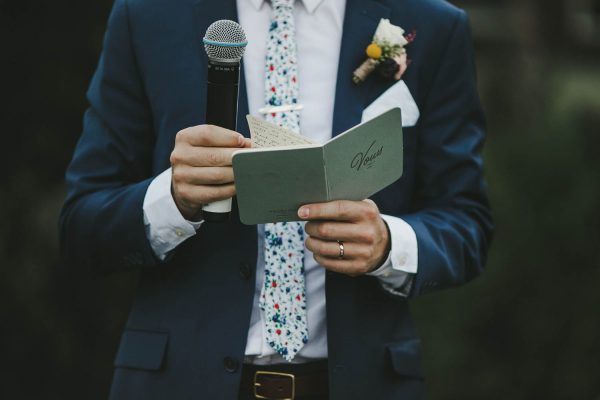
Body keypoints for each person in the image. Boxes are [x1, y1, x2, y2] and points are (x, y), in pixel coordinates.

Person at [59, 0, 493, 398]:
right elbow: (83, 222)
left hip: (360, 383)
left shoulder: (432, 23)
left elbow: (466, 222)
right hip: (182, 382)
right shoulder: (149, 15)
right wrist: (172, 200)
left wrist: (387, 244)